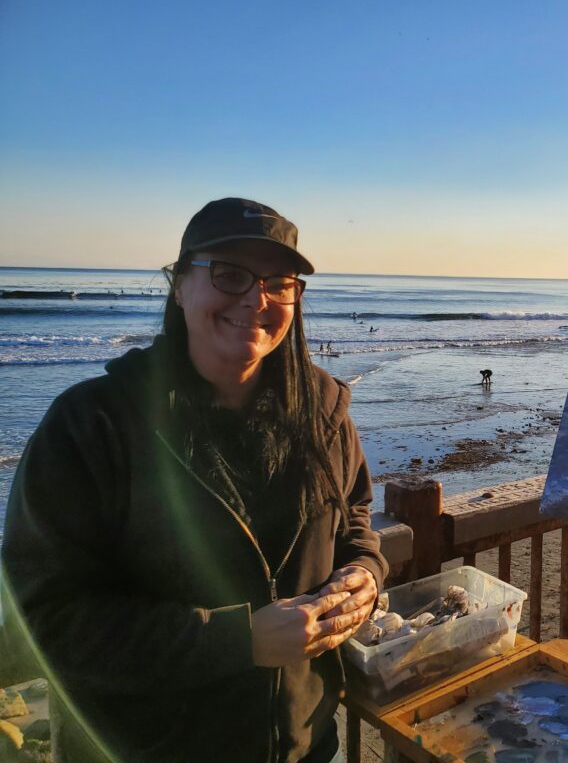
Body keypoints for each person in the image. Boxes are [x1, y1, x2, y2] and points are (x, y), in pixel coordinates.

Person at [1, 198, 387, 762]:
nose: (257, 299)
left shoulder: (322, 410)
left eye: (280, 283)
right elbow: (41, 618)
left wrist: (366, 571)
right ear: (179, 285)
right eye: (230, 274)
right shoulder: (91, 426)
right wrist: (239, 642)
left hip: (304, 745)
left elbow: (353, 514)